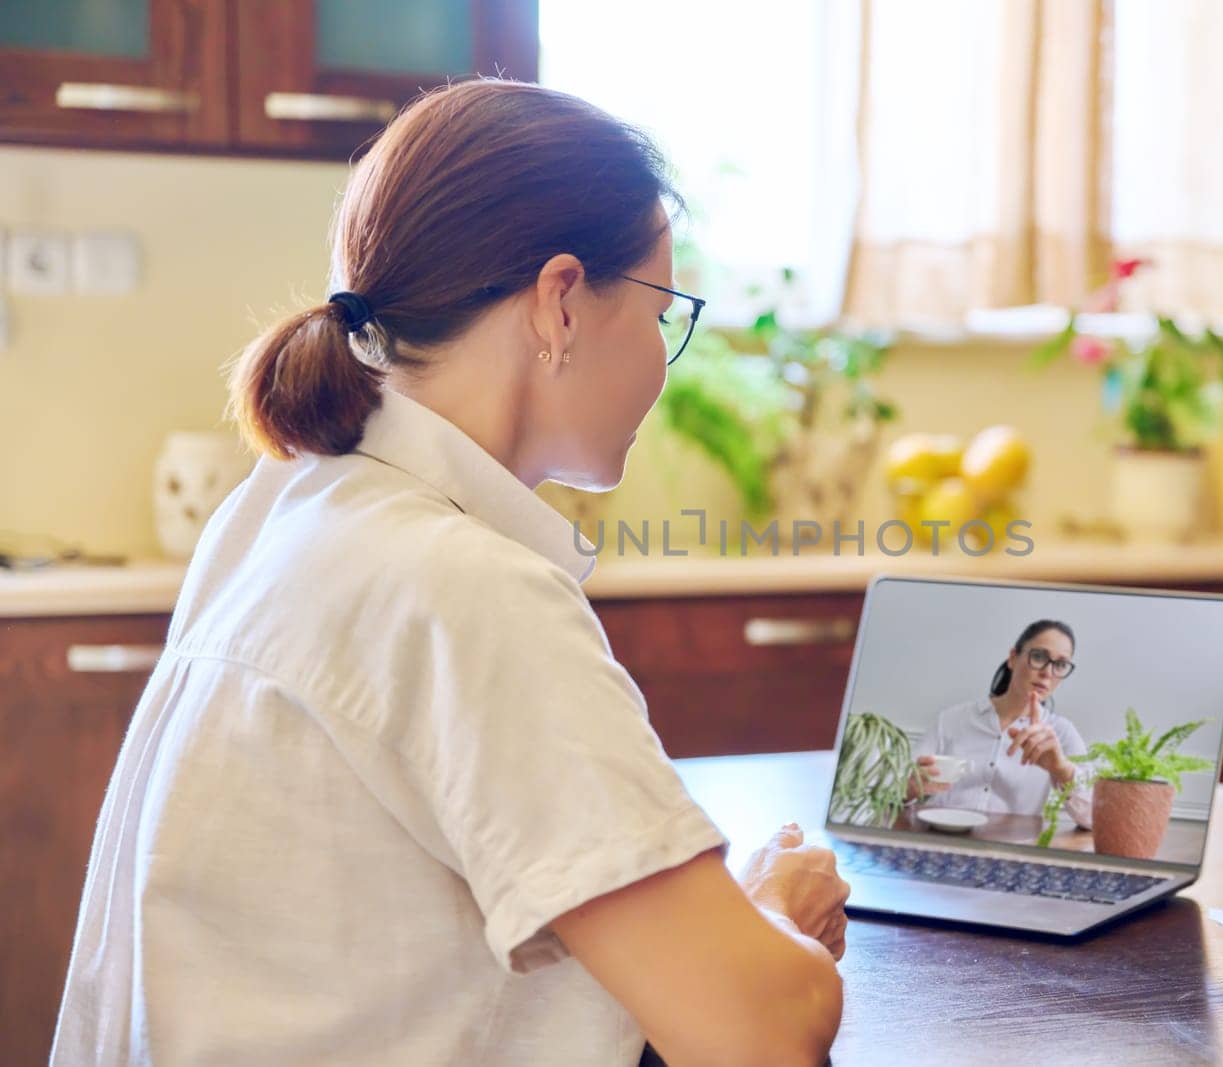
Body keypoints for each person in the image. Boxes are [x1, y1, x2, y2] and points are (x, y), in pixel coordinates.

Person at [52, 79, 846, 1067]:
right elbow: (760, 1031)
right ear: (559, 300)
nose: (662, 356)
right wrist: (777, 906)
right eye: (661, 310)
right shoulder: (459, 584)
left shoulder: (282, 509)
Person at [907, 620, 1094, 829]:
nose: (1047, 672)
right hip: (941, 841)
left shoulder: (1061, 733)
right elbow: (896, 790)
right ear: (1013, 658)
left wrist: (1061, 769)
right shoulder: (951, 720)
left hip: (1013, 853)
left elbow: (1095, 819)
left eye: (1060, 664)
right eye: (1039, 657)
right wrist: (908, 789)